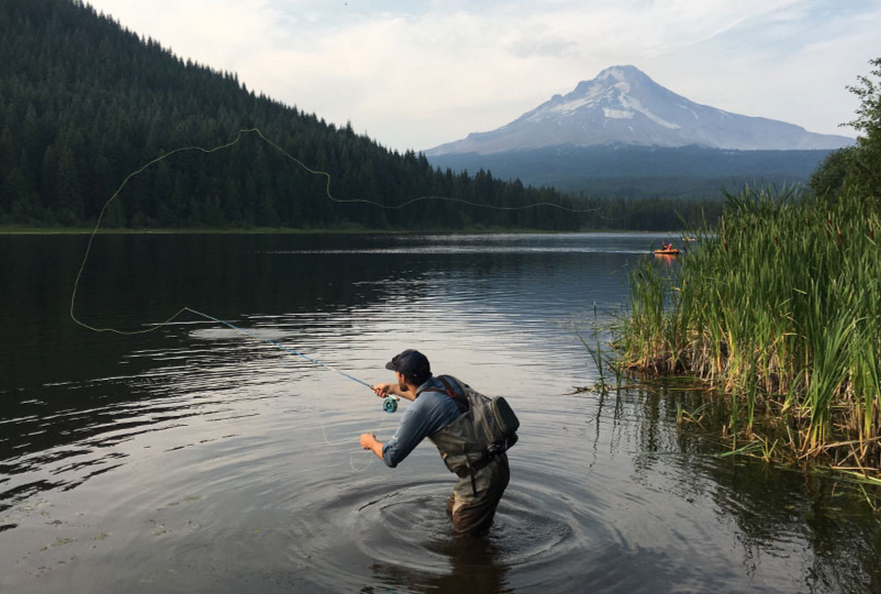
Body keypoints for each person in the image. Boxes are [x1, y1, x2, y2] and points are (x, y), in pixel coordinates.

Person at [359, 349, 510, 536]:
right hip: (496, 461)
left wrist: (371, 442)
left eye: (396, 373)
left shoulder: (418, 411)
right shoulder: (448, 381)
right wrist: (390, 388)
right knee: (451, 511)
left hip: (480, 478)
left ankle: (476, 559)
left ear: (402, 376)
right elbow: (429, 400)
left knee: (465, 543)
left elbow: (391, 456)